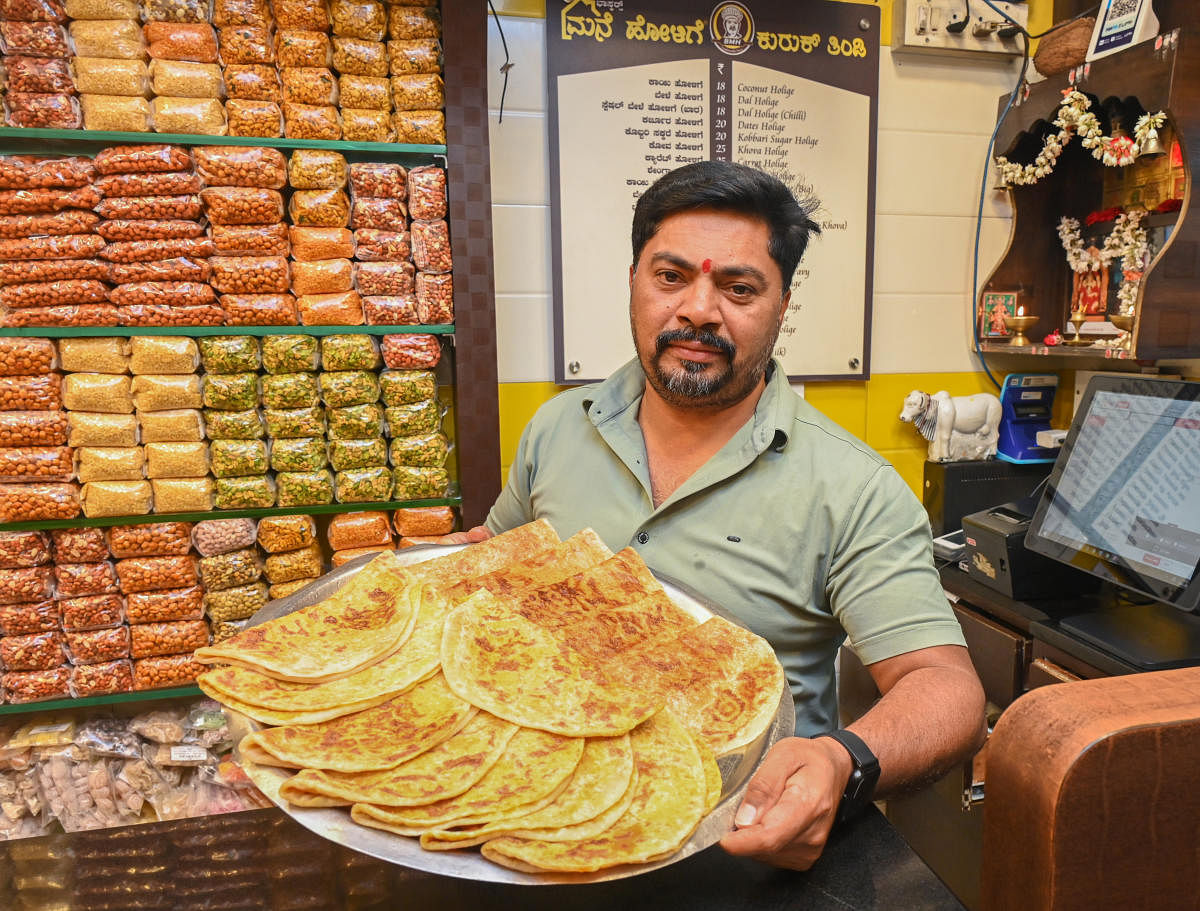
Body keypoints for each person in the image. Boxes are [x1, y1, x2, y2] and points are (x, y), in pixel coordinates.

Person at [446, 160, 986, 870]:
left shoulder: (854, 488)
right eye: (671, 277)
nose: (699, 309)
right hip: (523, 821)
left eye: (738, 288)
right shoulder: (555, 430)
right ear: (633, 281)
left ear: (782, 304)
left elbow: (947, 688)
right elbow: (498, 562)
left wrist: (840, 759)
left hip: (739, 850)